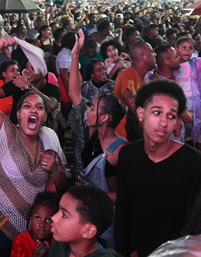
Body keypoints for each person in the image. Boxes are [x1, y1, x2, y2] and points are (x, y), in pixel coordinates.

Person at [0, 34, 68, 257]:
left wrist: (55, 170)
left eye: (39, 108)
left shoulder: (50, 137)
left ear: (45, 117)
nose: (33, 110)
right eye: (27, 107)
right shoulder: (3, 130)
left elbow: (62, 184)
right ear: (18, 113)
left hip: (35, 230)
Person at [114, 80, 201, 257]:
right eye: (157, 113)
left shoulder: (194, 163)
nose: (164, 122)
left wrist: (144, 252)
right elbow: (122, 212)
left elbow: (198, 225)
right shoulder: (128, 155)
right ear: (141, 113)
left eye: (171, 116)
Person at [68, 31, 127, 246]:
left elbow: (124, 196)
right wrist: (75, 55)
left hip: (106, 221)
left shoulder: (120, 150)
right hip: (84, 209)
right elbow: (75, 92)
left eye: (92, 108)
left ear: (103, 118)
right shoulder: (89, 132)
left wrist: (92, 193)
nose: (88, 109)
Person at [49, 185, 122, 257]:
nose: (53, 217)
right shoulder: (60, 244)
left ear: (88, 231)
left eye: (64, 215)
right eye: (59, 210)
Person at [10, 191, 58, 257]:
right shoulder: (20, 242)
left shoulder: (57, 241)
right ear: (31, 220)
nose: (42, 224)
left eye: (48, 220)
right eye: (37, 218)